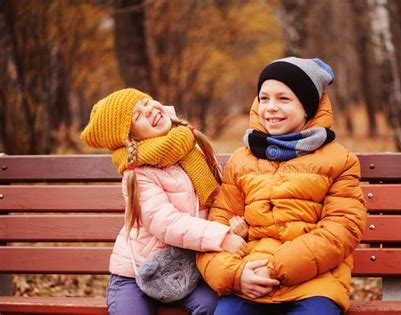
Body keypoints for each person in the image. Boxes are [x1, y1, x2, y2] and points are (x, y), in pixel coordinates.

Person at [196, 57, 367, 314]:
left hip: (314, 283)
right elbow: (215, 228)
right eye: (264, 99)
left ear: (308, 107)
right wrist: (235, 275)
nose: (270, 108)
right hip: (250, 281)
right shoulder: (242, 160)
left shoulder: (338, 160)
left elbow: (341, 229)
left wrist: (274, 268)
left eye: (283, 99)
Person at [80, 88, 247, 315]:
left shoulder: (190, 145)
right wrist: (221, 236)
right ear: (131, 137)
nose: (149, 111)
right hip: (136, 274)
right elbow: (166, 223)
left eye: (146, 103)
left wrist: (233, 225)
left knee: (214, 306)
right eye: (137, 116)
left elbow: (219, 199)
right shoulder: (137, 174)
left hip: (185, 271)